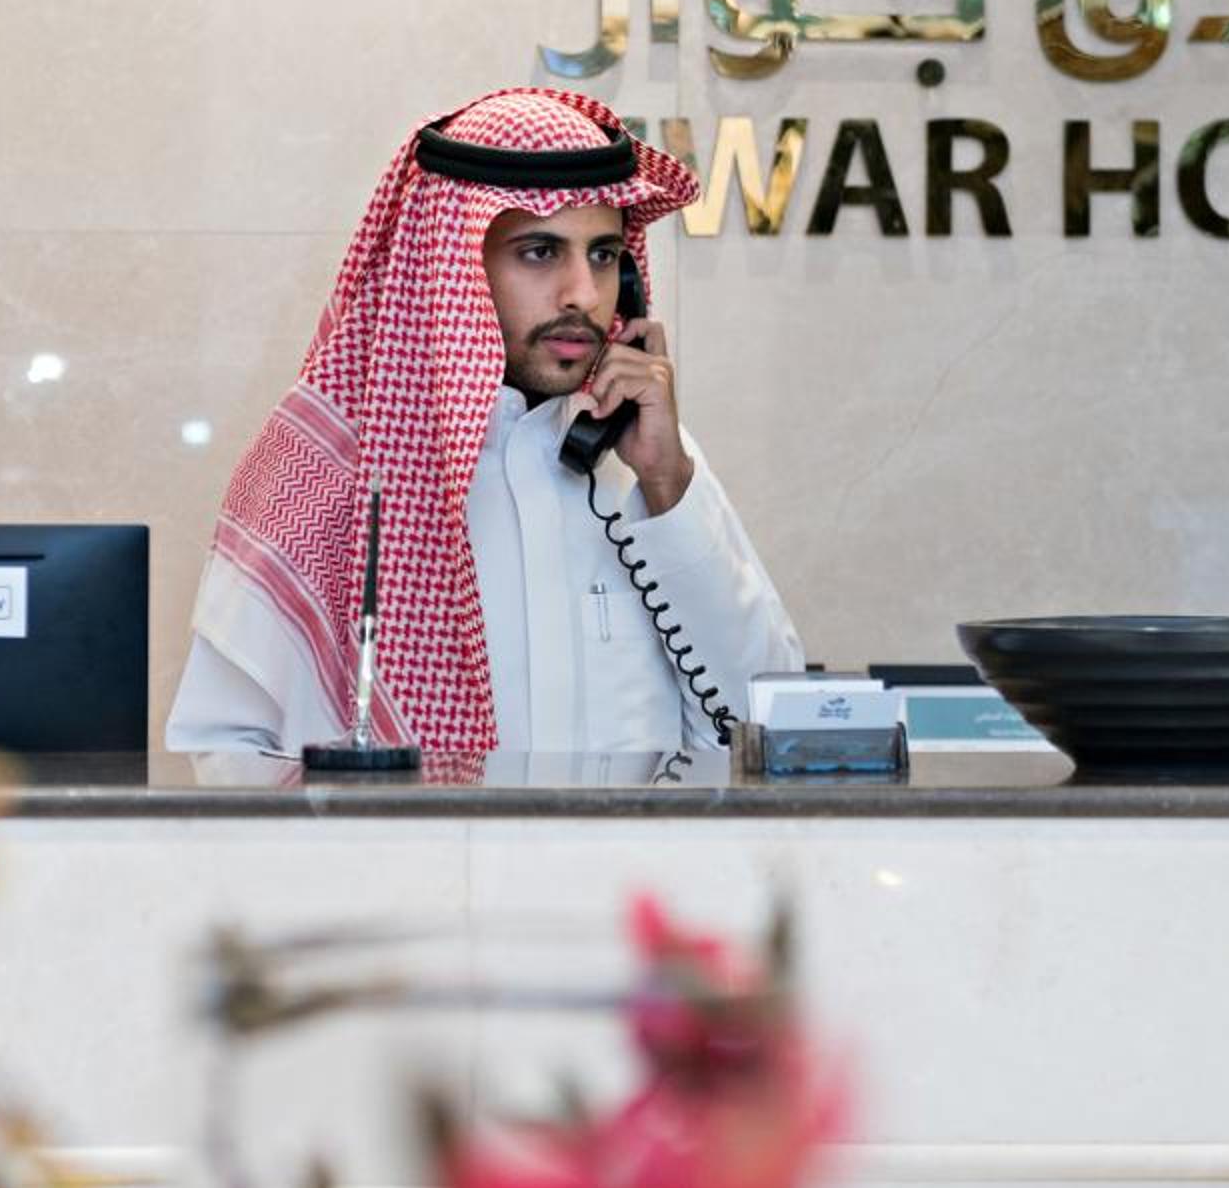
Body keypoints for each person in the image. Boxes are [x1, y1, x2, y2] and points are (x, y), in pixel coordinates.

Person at [167, 88, 800, 756]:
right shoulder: (325, 474)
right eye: (540, 252)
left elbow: (769, 733)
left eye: (603, 255)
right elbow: (223, 750)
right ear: (451, 264)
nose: (584, 294)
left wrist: (668, 484)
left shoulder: (648, 465)